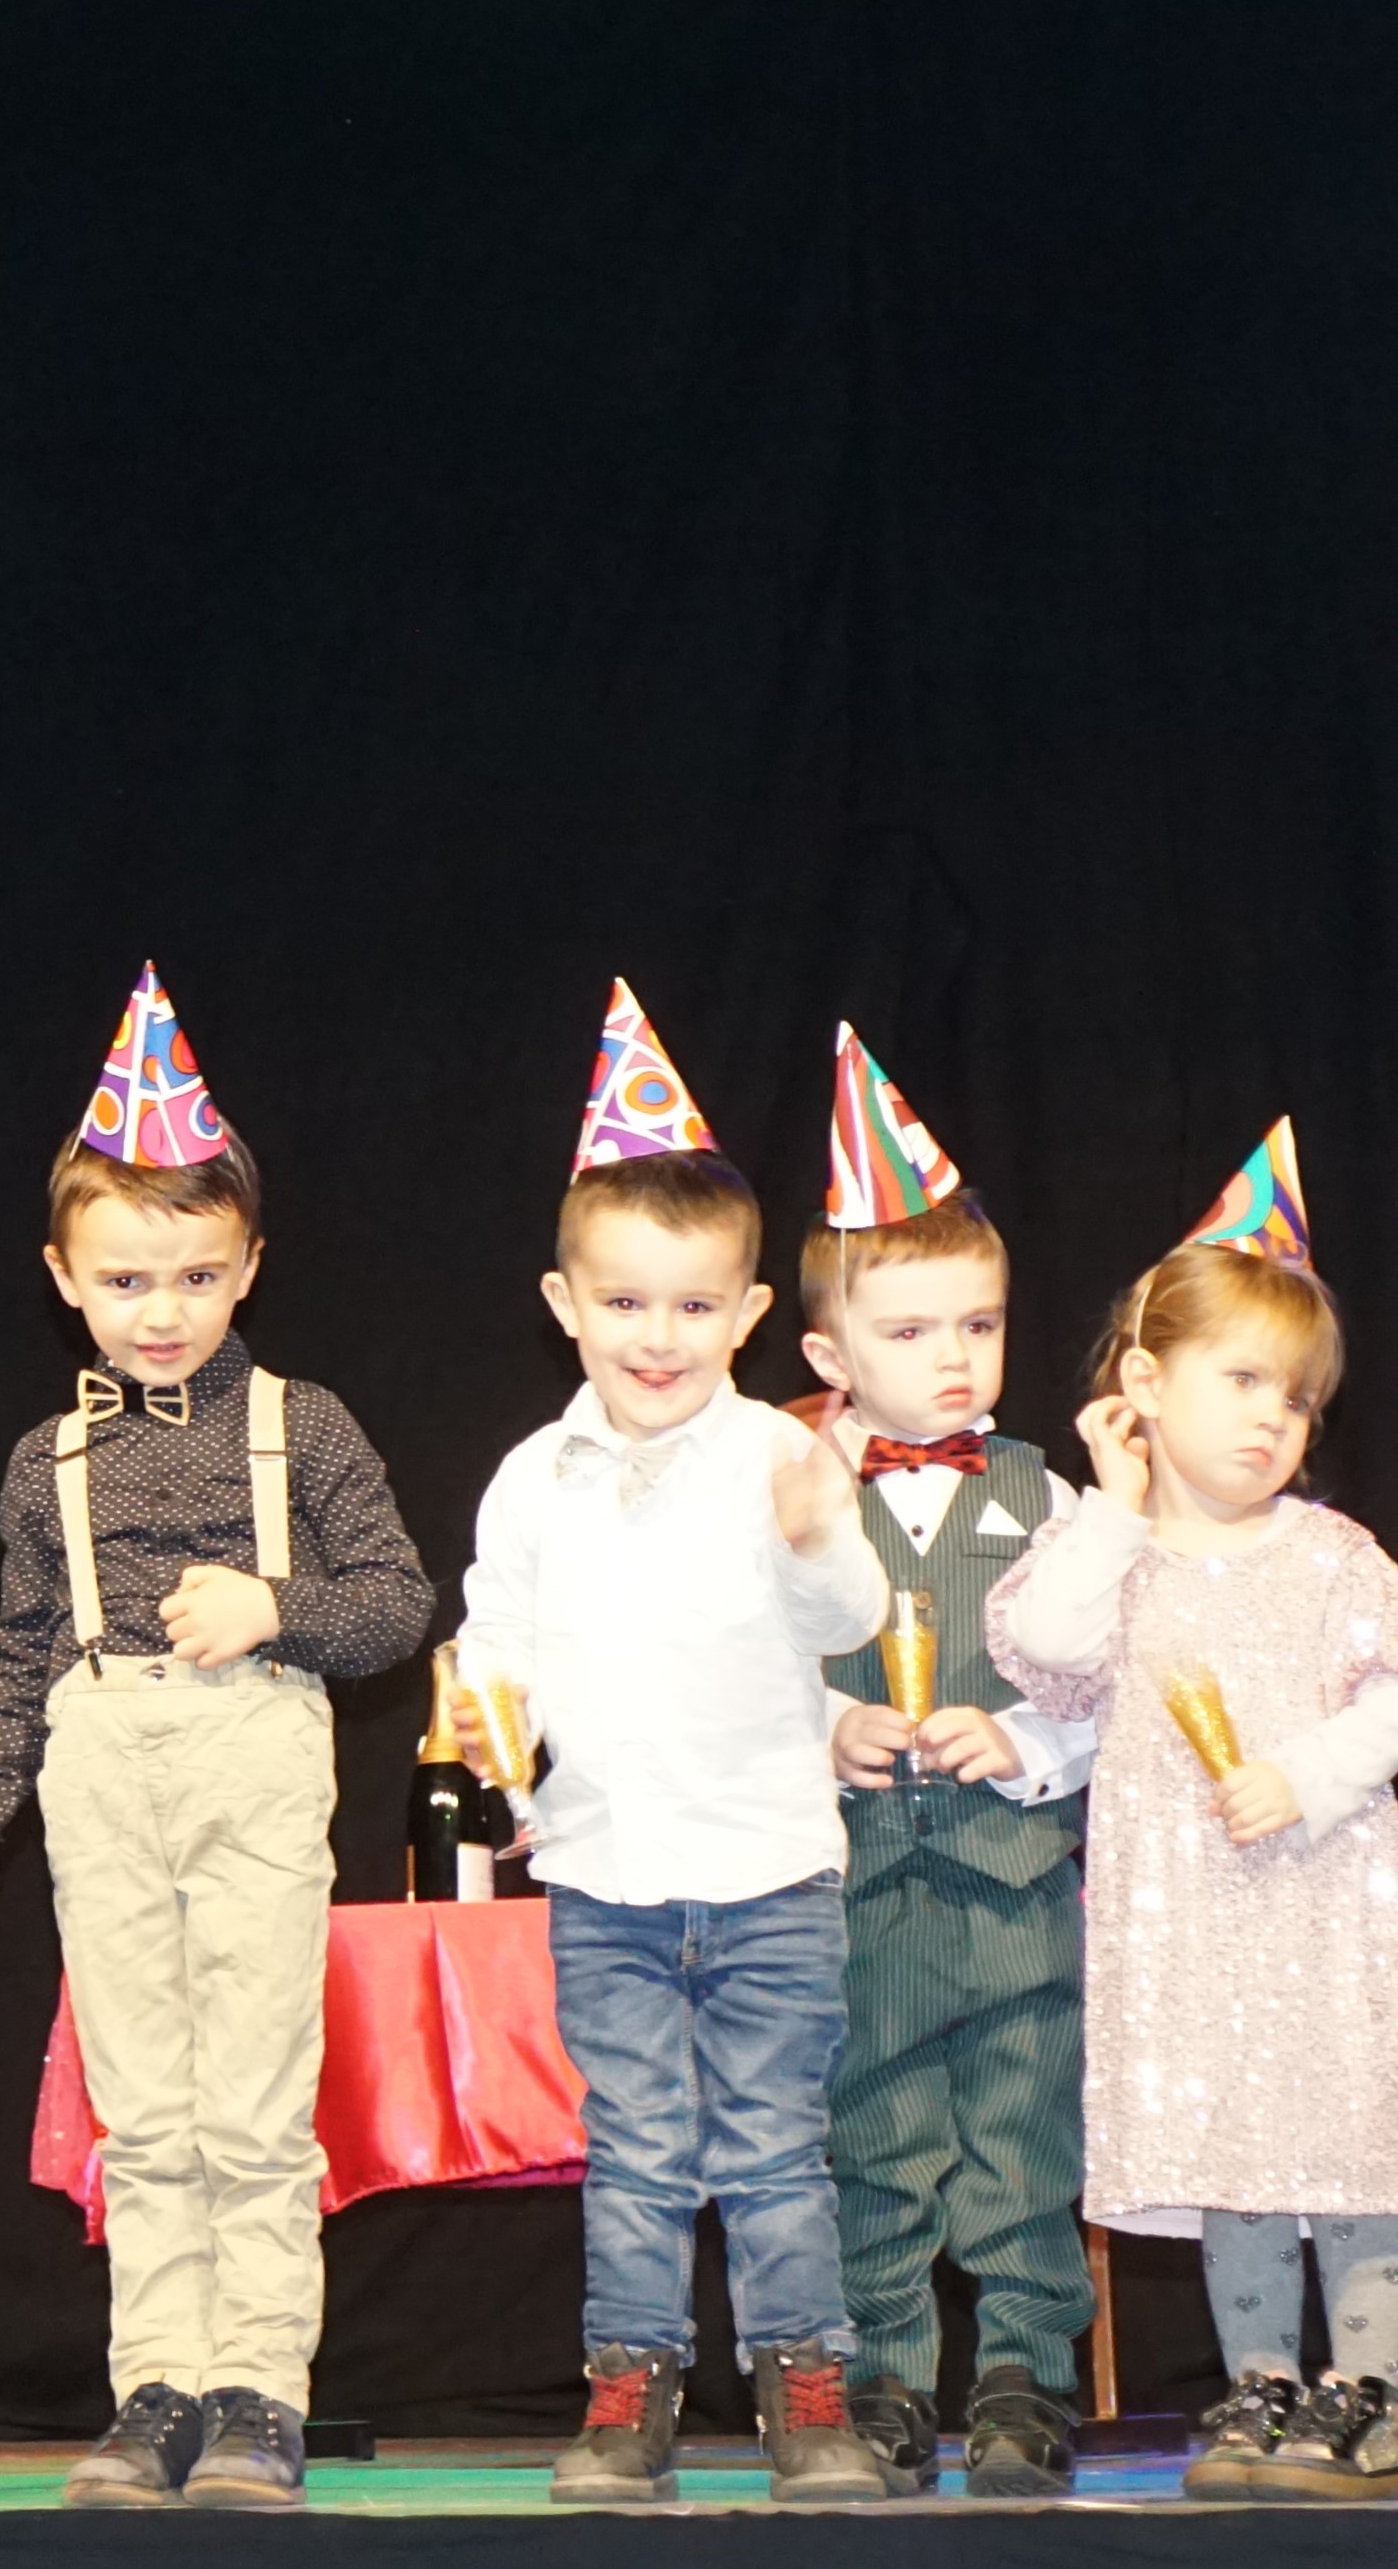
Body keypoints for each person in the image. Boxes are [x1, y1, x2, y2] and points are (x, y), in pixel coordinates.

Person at [0, 969, 429, 2513]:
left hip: (252, 1764)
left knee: (255, 2098)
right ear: (65, 1277)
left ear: (250, 1264)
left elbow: (399, 1600)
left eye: (198, 1275)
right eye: (128, 1278)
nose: (163, 1310)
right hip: (102, 1770)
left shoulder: (303, 1423)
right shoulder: (47, 1459)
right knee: (143, 2104)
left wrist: (277, 1608)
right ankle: (155, 2384)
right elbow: (22, 1651)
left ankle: (260, 2386)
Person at [454, 984, 892, 2509]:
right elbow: (496, 1643)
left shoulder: (779, 1451)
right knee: (635, 2148)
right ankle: (628, 2392)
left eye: (696, 1306)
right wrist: (497, 1745)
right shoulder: (532, 1477)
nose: (659, 1335)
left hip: (771, 1870)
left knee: (774, 2147)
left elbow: (847, 1619)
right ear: (565, 1300)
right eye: (626, 1301)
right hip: (607, 1876)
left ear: (750, 1312)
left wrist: (821, 1529)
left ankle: (807, 2390)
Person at [990, 1133, 1398, 2508]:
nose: (1274, 1419)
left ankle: (1369, 2391)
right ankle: (1261, 2383)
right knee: (1233, 2151)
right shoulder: (1112, 1553)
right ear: (1145, 1383)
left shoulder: (1330, 1553)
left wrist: (1311, 1772)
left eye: (1299, 1397)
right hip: (1187, 1917)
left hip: (1322, 1904)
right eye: (1243, 1380)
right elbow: (1045, 1648)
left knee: (1350, 2135)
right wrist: (1114, 1506)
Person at [784, 1029, 1097, 2499]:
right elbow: (734, 1673)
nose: (955, 1357)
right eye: (910, 1333)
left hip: (1015, 1873)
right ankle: (884, 2378)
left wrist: (1028, 1735)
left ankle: (1026, 2375)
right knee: (875, 2129)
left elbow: (1119, 1680)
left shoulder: (1054, 1495)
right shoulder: (789, 1495)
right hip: (851, 1881)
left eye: (979, 1323)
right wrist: (820, 1729)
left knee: (1025, 2127)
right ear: (829, 1356)